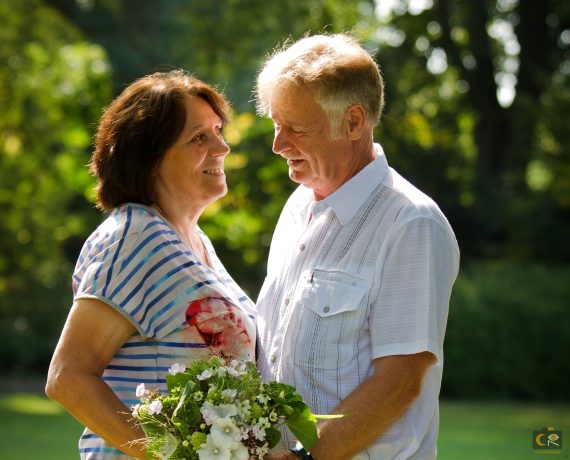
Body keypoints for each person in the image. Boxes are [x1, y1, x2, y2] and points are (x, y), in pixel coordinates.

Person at [254, 34, 460, 459]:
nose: (278, 145)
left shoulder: (410, 223)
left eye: (296, 128)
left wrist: (304, 458)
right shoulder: (296, 209)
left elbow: (400, 382)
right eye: (277, 126)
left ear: (353, 122)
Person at [45, 70, 256, 459]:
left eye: (217, 130)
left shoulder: (191, 241)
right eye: (199, 138)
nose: (222, 147)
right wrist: (167, 454)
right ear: (151, 158)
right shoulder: (135, 238)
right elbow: (68, 378)